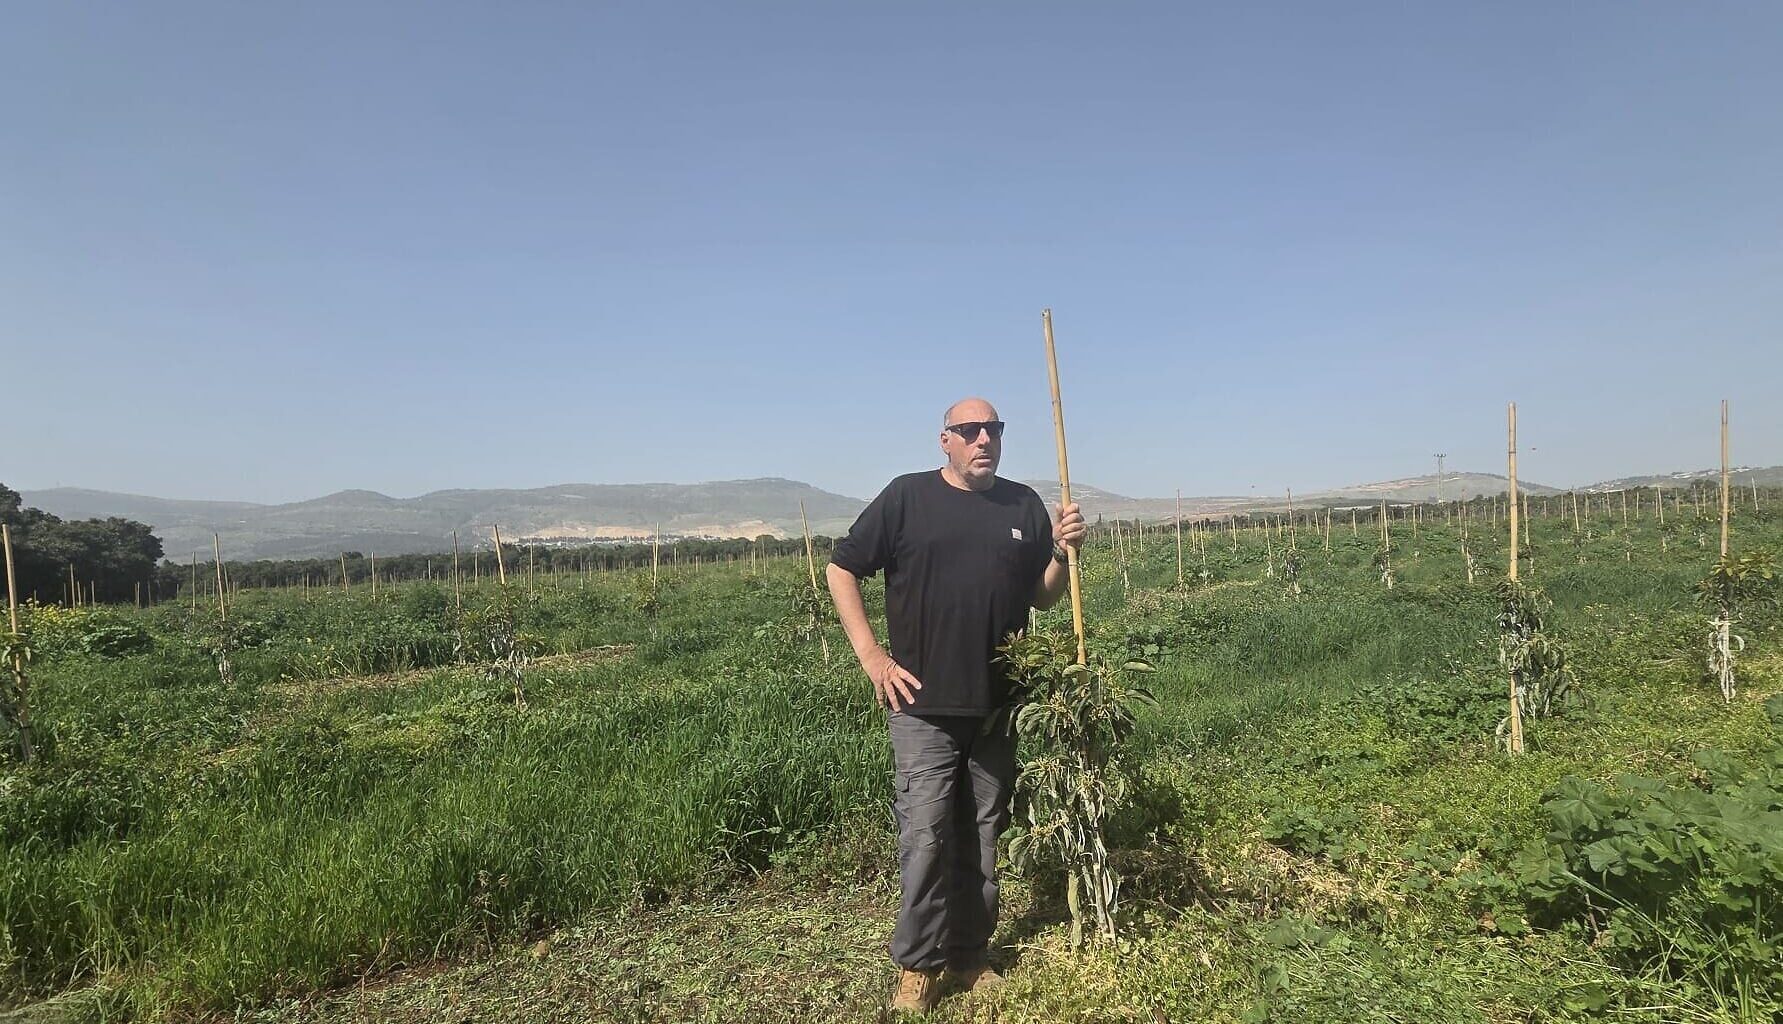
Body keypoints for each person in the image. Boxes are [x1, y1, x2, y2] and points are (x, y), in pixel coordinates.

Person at [826, 397, 1085, 1013]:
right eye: (969, 431)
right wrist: (871, 657)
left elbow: (1043, 599)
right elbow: (842, 568)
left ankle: (969, 953)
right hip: (923, 706)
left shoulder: (1021, 503)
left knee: (984, 832)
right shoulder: (907, 498)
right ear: (945, 440)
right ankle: (918, 965)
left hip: (998, 706)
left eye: (992, 429)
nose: (983, 439)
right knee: (927, 835)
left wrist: (1060, 551)